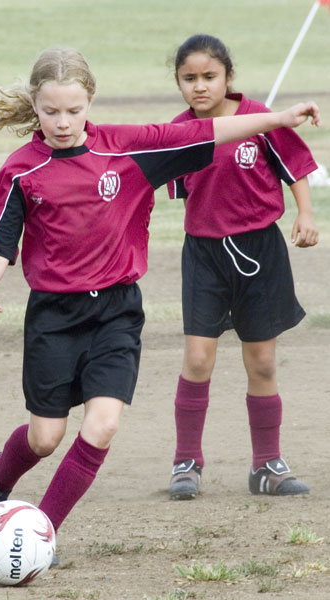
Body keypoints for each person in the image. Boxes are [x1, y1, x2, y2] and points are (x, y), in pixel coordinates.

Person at [0, 47, 319, 544]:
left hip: (116, 312)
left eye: (73, 110)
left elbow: (206, 131)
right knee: (45, 438)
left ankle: (42, 532)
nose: (63, 122)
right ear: (35, 106)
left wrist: (277, 119)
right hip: (53, 317)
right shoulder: (22, 169)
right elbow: (1, 243)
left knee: (102, 427)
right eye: (51, 112)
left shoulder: (128, 148)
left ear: (90, 102)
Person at [167, 34, 319, 501]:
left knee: (263, 362)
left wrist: (306, 214)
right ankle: (186, 463)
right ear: (178, 82)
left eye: (209, 76)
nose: (199, 86)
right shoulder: (178, 132)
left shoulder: (259, 118)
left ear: (228, 78)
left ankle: (266, 465)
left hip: (260, 252)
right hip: (204, 255)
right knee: (197, 359)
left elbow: (296, 168)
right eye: (189, 78)